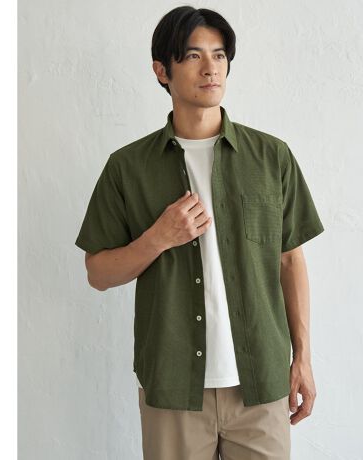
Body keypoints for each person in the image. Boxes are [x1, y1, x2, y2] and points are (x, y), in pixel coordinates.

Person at [75, 5, 325, 460]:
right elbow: (98, 273)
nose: (211, 67)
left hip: (261, 383)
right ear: (161, 71)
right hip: (173, 388)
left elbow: (290, 259)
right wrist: (158, 237)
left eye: (219, 55)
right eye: (193, 55)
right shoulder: (128, 168)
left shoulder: (272, 158)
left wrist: (303, 358)